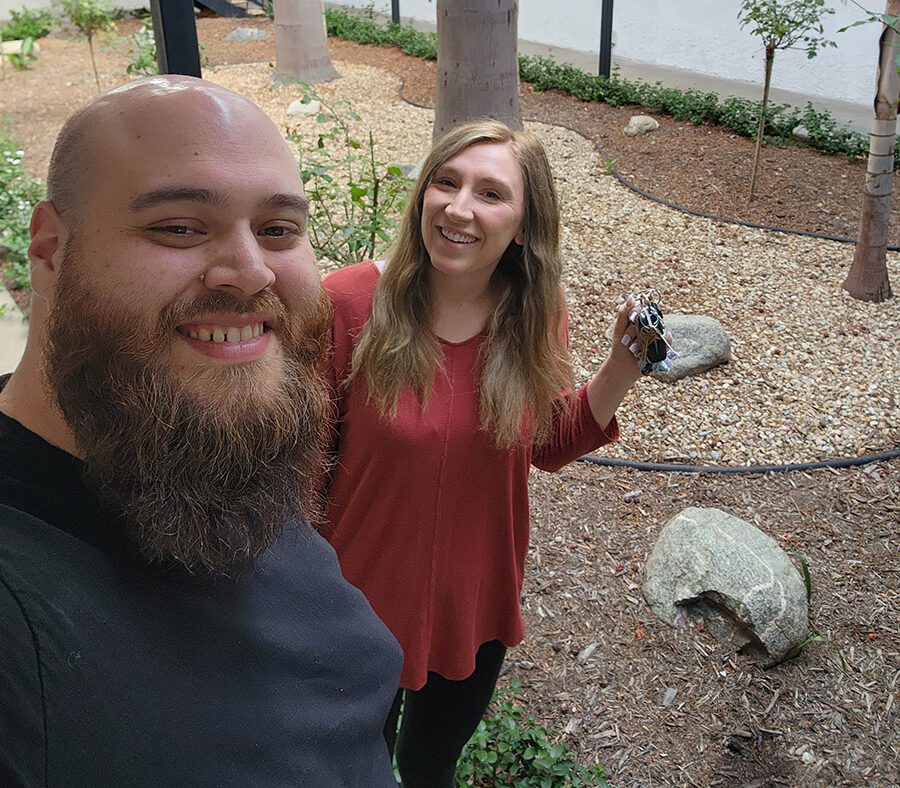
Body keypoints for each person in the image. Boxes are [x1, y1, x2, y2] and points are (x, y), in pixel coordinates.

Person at [0, 75, 402, 786]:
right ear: (51, 246)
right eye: (179, 226)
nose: (251, 271)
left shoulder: (188, 444)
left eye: (279, 230)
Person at [322, 118, 665, 786]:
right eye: (445, 183)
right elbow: (300, 473)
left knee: (429, 768)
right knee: (347, 771)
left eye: (489, 193)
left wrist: (624, 363)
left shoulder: (535, 312)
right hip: (352, 607)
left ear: (525, 225)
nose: (458, 208)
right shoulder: (348, 303)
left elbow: (545, 442)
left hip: (472, 603)